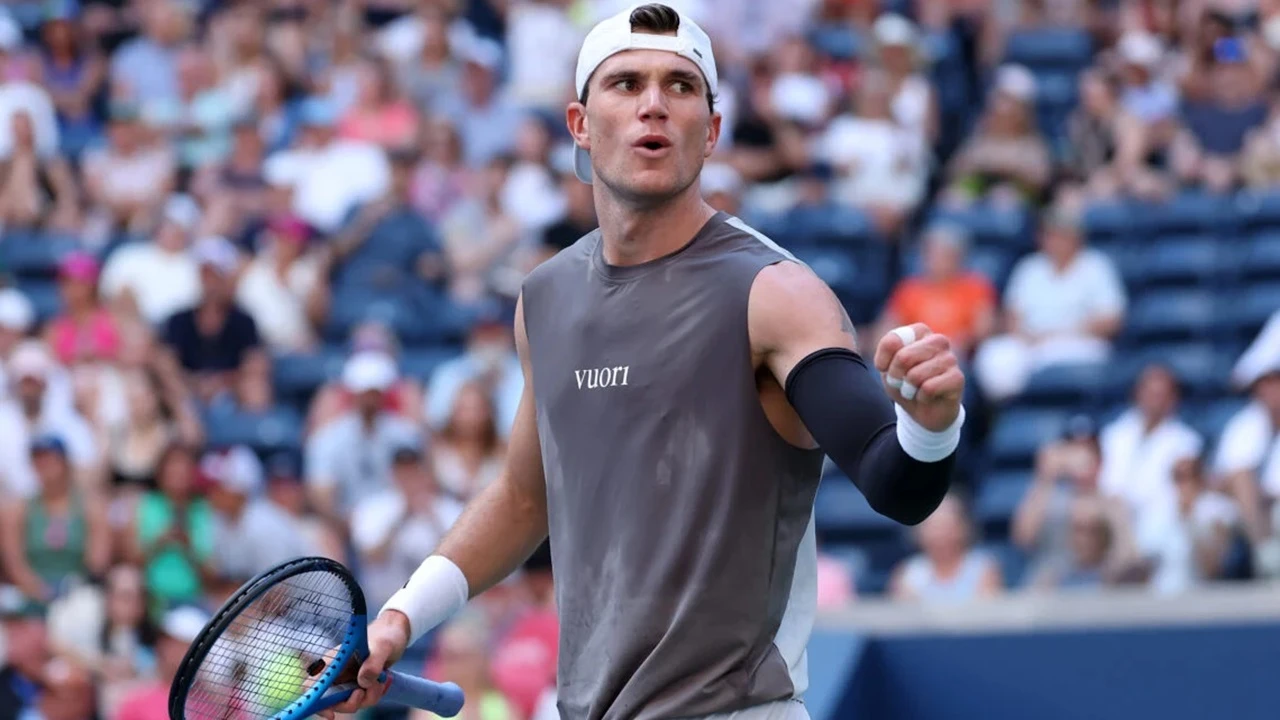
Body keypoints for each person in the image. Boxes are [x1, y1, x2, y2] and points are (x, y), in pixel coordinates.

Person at [327, 6, 965, 720]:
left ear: (712, 131)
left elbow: (897, 483)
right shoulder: (545, 298)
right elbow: (524, 498)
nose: (653, 104)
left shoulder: (776, 293)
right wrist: (402, 617)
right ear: (579, 123)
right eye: (626, 83)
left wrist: (931, 423)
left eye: (680, 86)